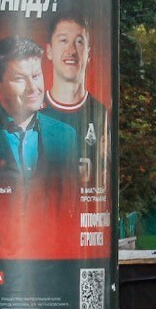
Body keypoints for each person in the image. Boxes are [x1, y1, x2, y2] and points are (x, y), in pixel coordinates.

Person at [0, 36, 79, 189]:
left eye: (36, 76)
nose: (33, 87)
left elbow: (72, 202)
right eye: (20, 79)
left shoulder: (65, 135)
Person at [42, 12, 110, 194]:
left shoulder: (101, 113)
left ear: (88, 54)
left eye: (79, 42)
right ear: (49, 50)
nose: (71, 50)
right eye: (63, 40)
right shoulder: (31, 112)